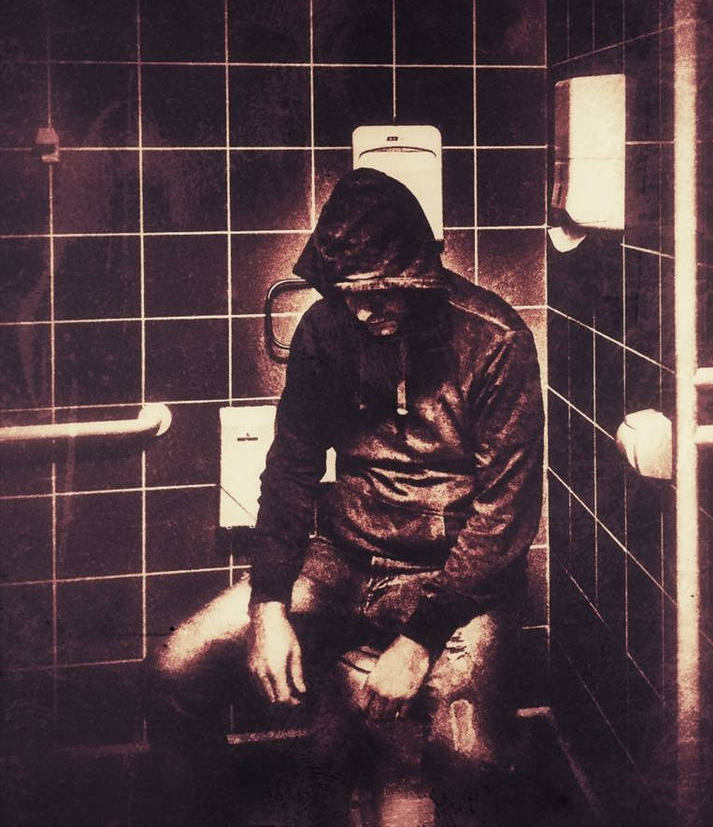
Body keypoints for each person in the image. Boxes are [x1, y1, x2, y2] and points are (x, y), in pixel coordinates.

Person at [145, 168, 544, 827]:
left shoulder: (495, 341)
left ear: (418, 274)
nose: (361, 312)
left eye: (379, 292)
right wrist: (269, 603)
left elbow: (504, 517)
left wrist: (419, 641)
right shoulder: (326, 330)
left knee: (469, 756)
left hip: (454, 578)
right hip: (343, 560)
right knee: (175, 668)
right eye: (347, 294)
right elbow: (291, 468)